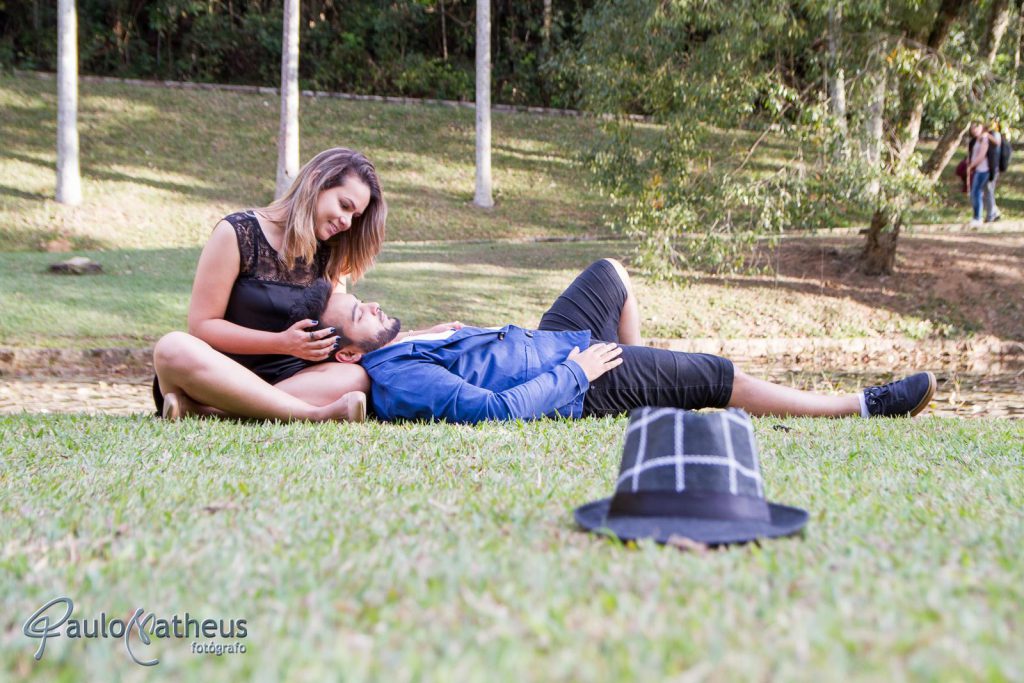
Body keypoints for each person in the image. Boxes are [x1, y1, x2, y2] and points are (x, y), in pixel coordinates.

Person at [313, 259, 937, 424]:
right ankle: (860, 405)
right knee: (719, 375)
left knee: (610, 273)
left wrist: (435, 330)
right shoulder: (394, 378)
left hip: (553, 340)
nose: (367, 301)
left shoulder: (399, 347)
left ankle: (656, 377)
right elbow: (493, 413)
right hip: (581, 379)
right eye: (355, 313)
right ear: (347, 353)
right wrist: (580, 373)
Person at [152, 147, 386, 422]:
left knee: (355, 376)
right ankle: (312, 413)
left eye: (354, 216)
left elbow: (342, 329)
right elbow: (202, 326)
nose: (347, 222)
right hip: (214, 370)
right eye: (344, 205)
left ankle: (208, 412)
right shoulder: (237, 232)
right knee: (172, 347)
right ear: (315, 182)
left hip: (291, 378)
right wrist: (281, 343)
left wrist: (416, 335)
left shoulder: (334, 251)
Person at [966, 123, 990, 229]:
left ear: (982, 128)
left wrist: (972, 165)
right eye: (972, 128)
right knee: (975, 193)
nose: (974, 130)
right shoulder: (975, 140)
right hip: (978, 170)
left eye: (977, 127)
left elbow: (981, 155)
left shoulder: (984, 139)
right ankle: (976, 217)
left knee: (976, 193)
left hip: (984, 170)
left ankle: (978, 218)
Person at [983, 121, 1002, 222]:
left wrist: (987, 135)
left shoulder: (994, 134)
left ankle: (991, 215)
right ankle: (994, 211)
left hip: (993, 167)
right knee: (985, 190)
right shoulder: (987, 135)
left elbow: (997, 142)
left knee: (988, 189)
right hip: (986, 167)